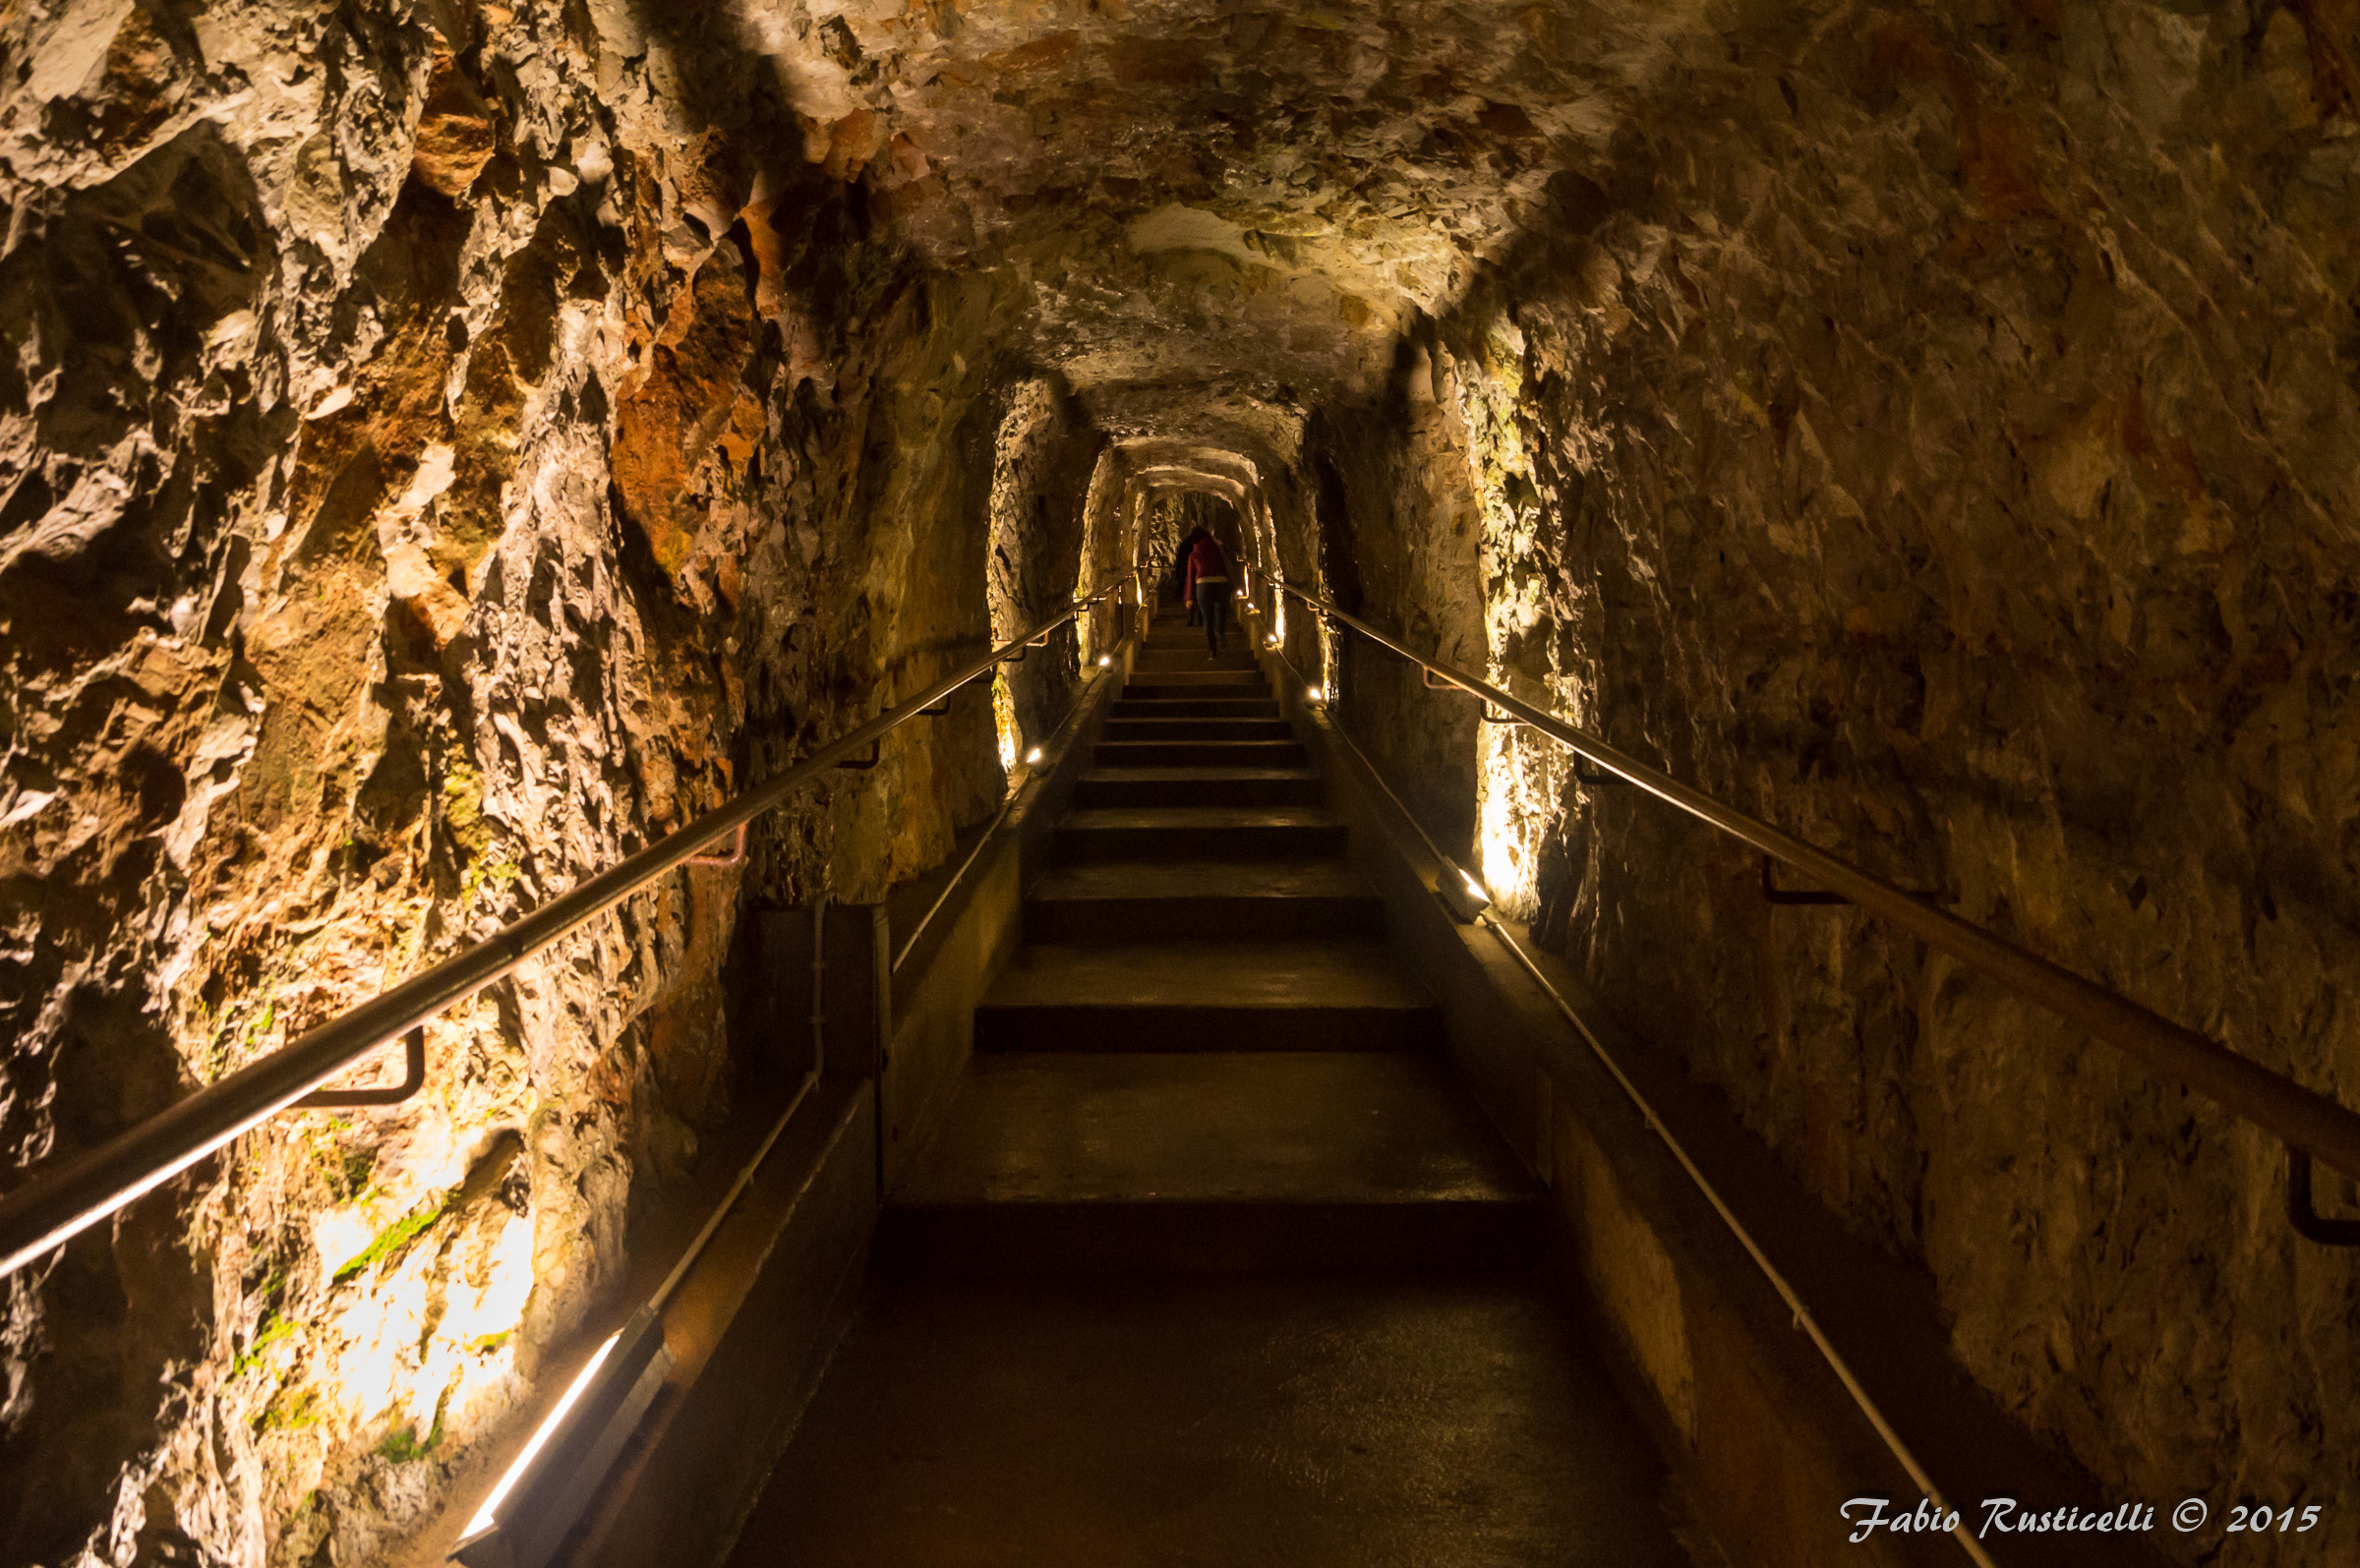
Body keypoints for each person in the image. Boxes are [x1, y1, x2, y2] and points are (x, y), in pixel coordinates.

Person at [1183, 531, 1232, 655]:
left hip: (1203, 585)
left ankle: (1212, 649)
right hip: (1222, 583)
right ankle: (1221, 634)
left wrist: (1189, 597)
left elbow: (1190, 577)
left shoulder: (1194, 554)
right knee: (1221, 613)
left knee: (1207, 619)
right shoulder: (1219, 550)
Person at [1170, 526, 1208, 624]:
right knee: (1199, 596)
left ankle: (1191, 617)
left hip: (1186, 570)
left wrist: (1179, 574)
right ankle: (1200, 618)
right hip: (1200, 572)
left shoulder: (1186, 542)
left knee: (1190, 595)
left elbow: (1180, 558)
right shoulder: (1204, 544)